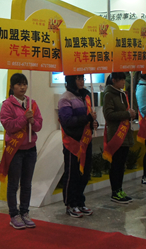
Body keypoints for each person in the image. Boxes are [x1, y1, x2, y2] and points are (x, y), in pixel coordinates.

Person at [0, 73, 43, 229]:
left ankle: (25, 212)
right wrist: (24, 118)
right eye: (19, 84)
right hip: (15, 150)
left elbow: (39, 126)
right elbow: (9, 126)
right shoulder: (7, 105)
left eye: (24, 84)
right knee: (13, 184)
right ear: (12, 87)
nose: (22, 87)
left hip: (30, 149)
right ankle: (14, 214)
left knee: (27, 184)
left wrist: (32, 121)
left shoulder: (32, 103)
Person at [58, 74, 97, 218]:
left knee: (84, 174)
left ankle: (80, 201)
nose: (81, 81)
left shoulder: (85, 96)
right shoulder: (65, 98)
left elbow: (89, 118)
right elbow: (67, 121)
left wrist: (93, 123)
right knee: (72, 174)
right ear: (71, 80)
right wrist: (87, 119)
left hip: (86, 141)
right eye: (78, 78)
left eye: (82, 78)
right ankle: (71, 203)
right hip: (73, 143)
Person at [103, 72, 136, 204]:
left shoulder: (123, 94)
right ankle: (115, 192)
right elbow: (109, 115)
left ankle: (120, 189)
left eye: (124, 79)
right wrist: (126, 114)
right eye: (121, 80)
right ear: (114, 81)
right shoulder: (108, 95)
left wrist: (131, 114)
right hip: (116, 134)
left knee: (121, 165)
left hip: (125, 134)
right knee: (116, 165)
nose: (123, 82)